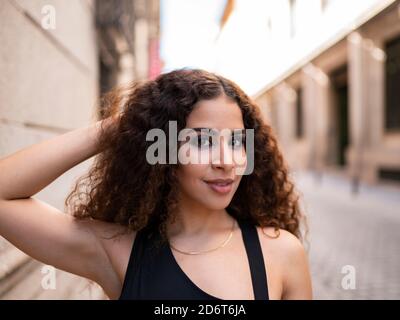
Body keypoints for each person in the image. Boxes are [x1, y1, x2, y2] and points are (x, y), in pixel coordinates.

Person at [0, 68, 312, 300]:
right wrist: (116, 129)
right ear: (162, 151)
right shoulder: (118, 250)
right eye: (202, 141)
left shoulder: (281, 252)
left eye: (235, 141)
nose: (226, 160)